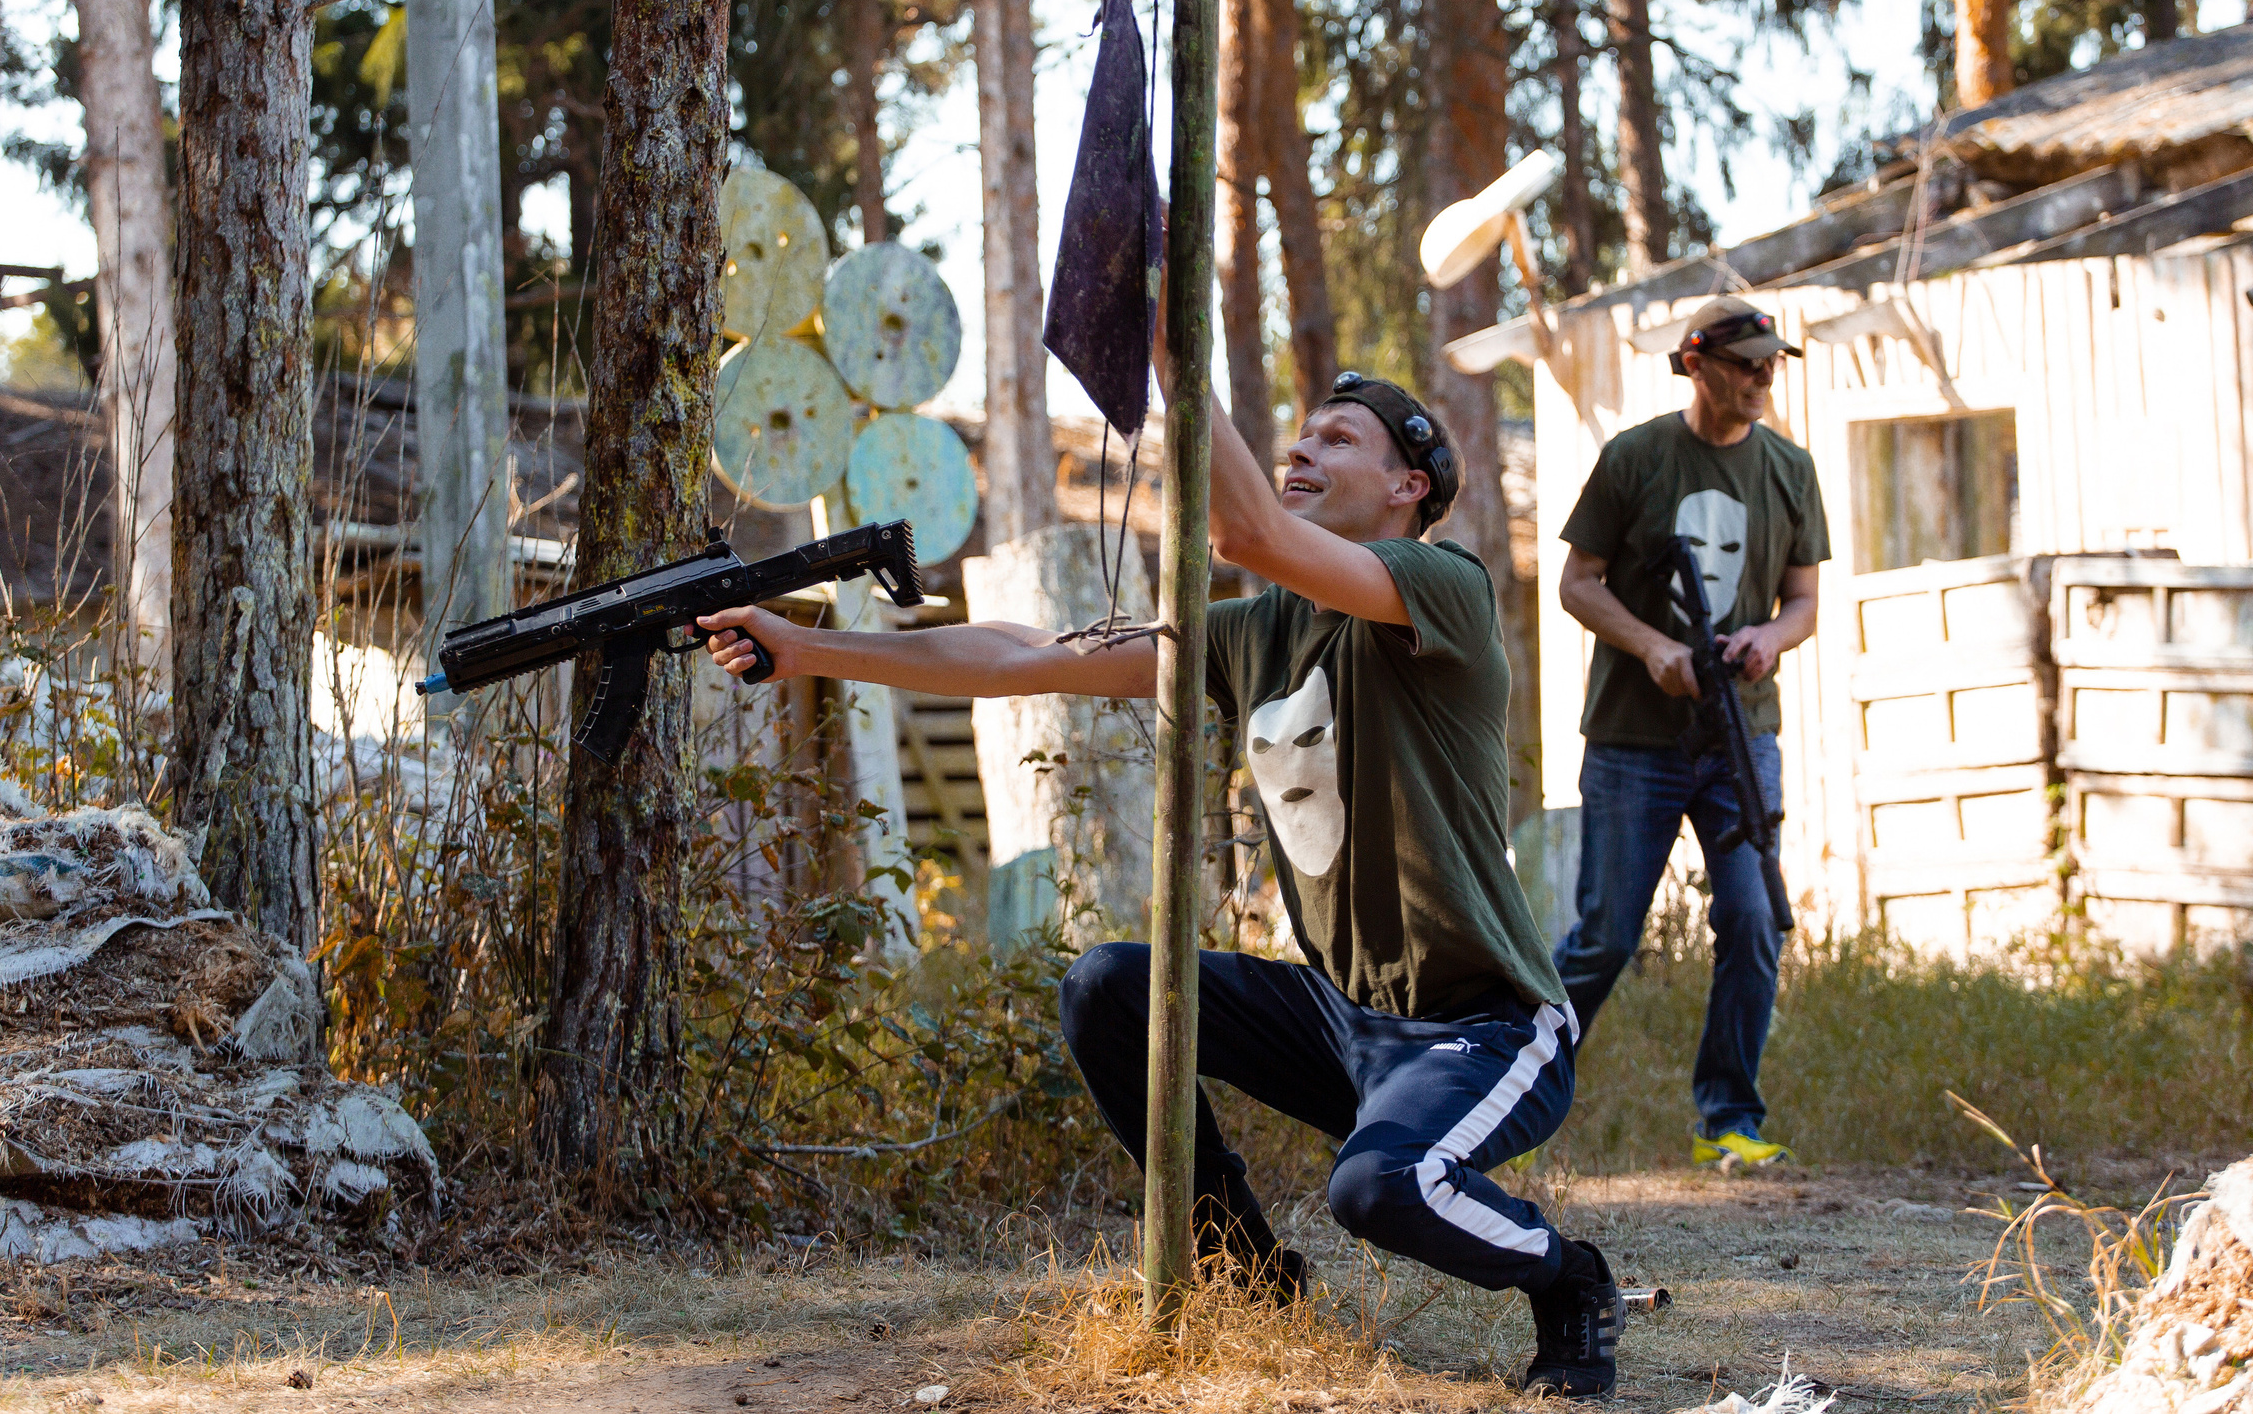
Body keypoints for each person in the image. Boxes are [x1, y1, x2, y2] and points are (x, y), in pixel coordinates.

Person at [697, 370, 1628, 1398]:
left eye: (1338, 439)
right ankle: (1249, 1267)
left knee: (1381, 1186)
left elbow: (1249, 532)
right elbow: (1020, 653)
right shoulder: (1245, 634)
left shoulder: (1440, 586)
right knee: (1109, 984)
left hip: (1484, 1027)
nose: (1303, 449)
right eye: (1301, 433)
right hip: (1340, 1018)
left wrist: (1165, 339)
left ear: (1410, 484)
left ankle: (1570, 1276)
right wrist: (808, 648)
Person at [1552, 293, 1827, 1169]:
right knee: (1604, 937)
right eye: (1745, 364)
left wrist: (1767, 640)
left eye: (1769, 364)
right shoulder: (1635, 458)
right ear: (1696, 363)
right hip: (1634, 741)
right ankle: (1500, 1107)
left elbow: (1806, 602)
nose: (1760, 378)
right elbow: (1577, 582)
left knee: (1753, 919)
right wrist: (1653, 648)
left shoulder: (1790, 468)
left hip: (1741, 739)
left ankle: (1730, 1122)